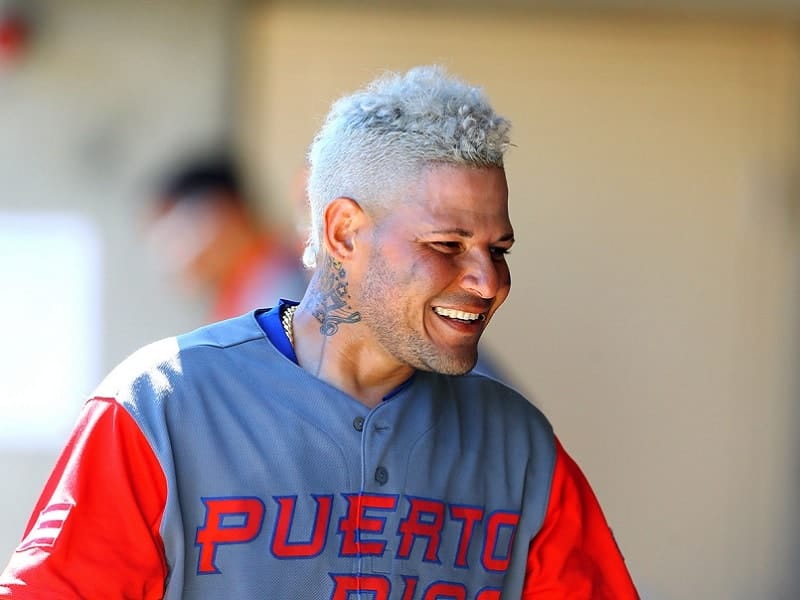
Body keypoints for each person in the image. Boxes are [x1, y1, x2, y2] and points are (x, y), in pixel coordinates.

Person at [0, 65, 639, 599]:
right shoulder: (157, 409)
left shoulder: (520, 446)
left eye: (498, 249)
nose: (488, 281)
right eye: (447, 244)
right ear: (343, 233)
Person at [146, 154, 307, 321]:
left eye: (176, 233)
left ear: (224, 212)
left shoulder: (287, 276)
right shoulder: (235, 296)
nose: (171, 256)